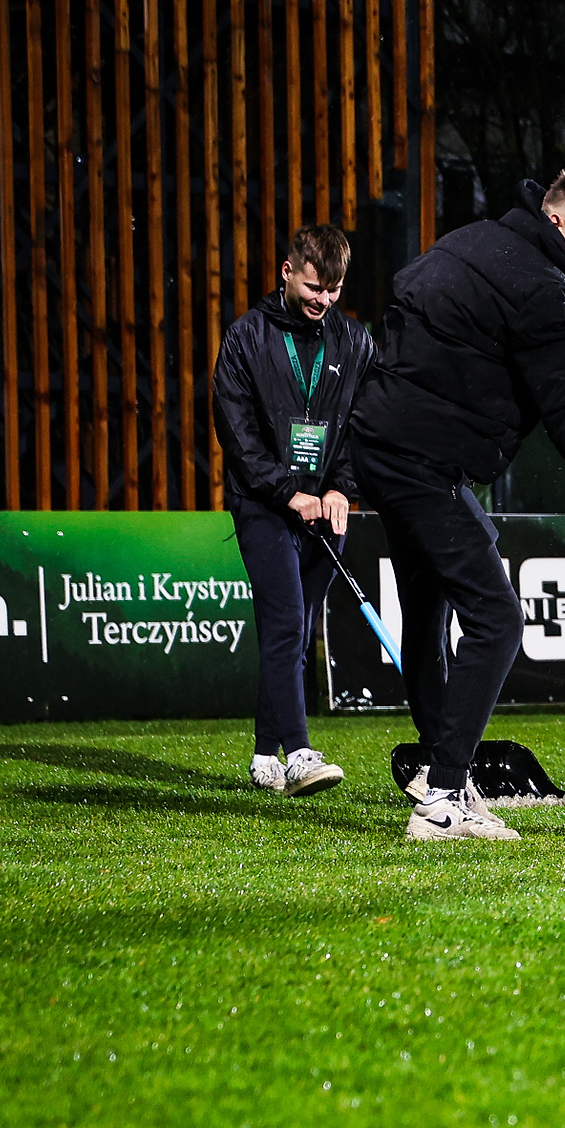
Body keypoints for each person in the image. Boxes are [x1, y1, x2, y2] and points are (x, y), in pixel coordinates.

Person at [351, 171, 565, 842]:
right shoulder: (540, 289)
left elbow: (400, 313)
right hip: (420, 463)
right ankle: (442, 799)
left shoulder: (468, 241)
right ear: (559, 222)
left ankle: (448, 779)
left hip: (381, 446)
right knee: (497, 618)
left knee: (429, 609)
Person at [213, 224, 375, 797]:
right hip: (263, 505)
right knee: (284, 623)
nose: (323, 301)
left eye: (333, 291)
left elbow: (363, 423)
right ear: (287, 272)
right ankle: (301, 753)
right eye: (313, 287)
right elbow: (237, 435)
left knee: (299, 630)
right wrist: (287, 492)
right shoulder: (245, 338)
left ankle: (263, 754)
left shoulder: (356, 342)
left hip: (328, 507)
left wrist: (341, 489)